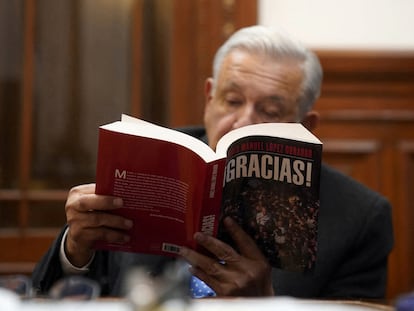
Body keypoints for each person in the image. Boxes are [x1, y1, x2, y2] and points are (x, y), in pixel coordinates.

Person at [32, 25, 394, 299]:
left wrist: (263, 307)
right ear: (209, 98)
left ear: (305, 127)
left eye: (269, 111)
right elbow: (45, 296)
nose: (243, 122)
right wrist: (75, 248)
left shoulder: (359, 217)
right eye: (232, 100)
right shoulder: (146, 158)